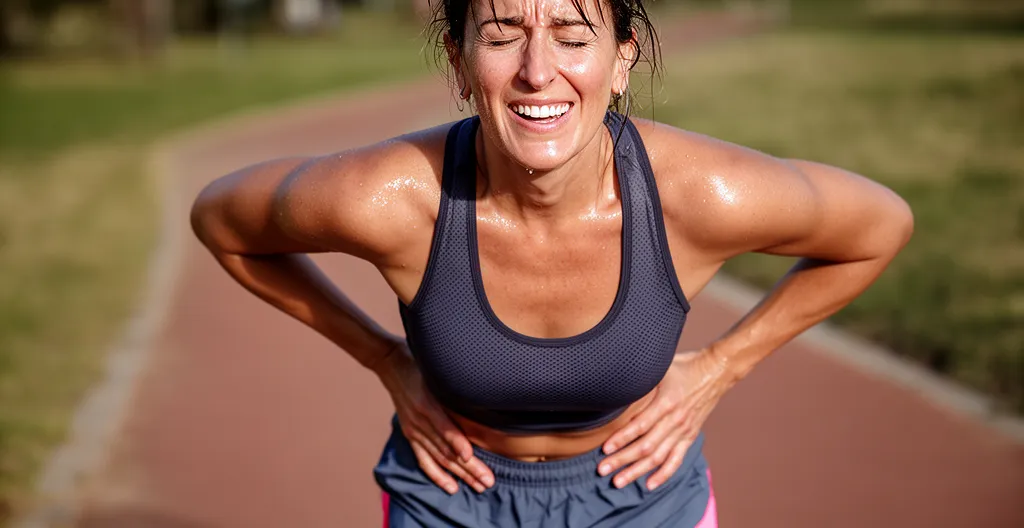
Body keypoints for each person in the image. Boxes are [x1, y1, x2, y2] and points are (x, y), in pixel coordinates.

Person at [189, 0, 914, 525]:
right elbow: (221, 218)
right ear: (459, 60)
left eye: (572, 36)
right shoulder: (392, 197)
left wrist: (725, 364)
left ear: (622, 57)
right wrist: (383, 358)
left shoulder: (695, 197)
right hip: (448, 496)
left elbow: (880, 223)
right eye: (504, 35)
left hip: (642, 499)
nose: (539, 72)